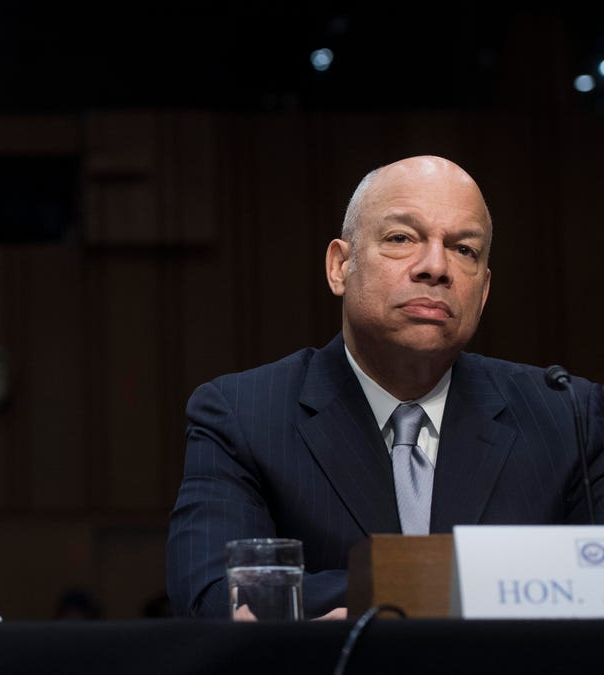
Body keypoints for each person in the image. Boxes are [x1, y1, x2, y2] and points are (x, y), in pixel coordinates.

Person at [166, 155, 604, 619]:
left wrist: (368, 596)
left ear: (484, 291)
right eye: (401, 239)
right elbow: (213, 593)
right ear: (340, 266)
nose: (436, 267)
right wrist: (486, 589)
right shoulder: (243, 415)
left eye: (464, 250)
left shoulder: (568, 415)